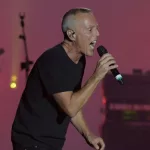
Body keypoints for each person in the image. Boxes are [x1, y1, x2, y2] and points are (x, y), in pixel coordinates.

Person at [11, 7, 118, 150]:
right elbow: (70, 108)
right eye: (90, 29)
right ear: (71, 34)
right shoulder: (53, 60)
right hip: (32, 142)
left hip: (50, 143)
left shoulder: (79, 60)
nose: (97, 34)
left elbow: (72, 100)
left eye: (97, 29)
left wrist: (88, 134)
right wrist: (97, 76)